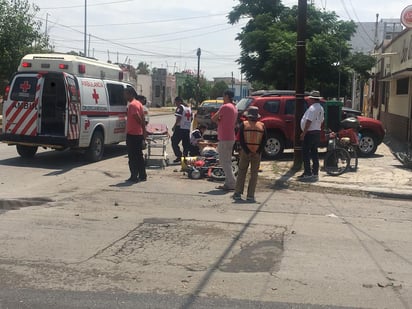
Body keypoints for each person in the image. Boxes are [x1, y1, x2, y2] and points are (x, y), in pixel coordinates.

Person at [232, 106, 266, 202]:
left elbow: (241, 140)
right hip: (257, 153)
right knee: (254, 174)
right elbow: (264, 140)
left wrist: (247, 151)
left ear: (248, 116)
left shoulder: (244, 124)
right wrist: (257, 151)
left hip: (245, 152)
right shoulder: (262, 126)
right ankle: (250, 195)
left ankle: (238, 193)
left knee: (242, 171)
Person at [211, 89, 238, 191]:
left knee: (223, 161)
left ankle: (232, 182)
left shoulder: (225, 107)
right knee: (227, 161)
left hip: (224, 137)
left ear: (226, 96)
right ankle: (228, 183)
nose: (223, 98)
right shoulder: (234, 108)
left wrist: (219, 121)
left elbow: (214, 118)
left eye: (223, 96)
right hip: (231, 136)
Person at [299, 90, 325, 181]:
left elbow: (309, 121)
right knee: (314, 153)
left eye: (310, 99)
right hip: (316, 132)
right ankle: (315, 172)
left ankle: (307, 172)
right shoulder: (321, 108)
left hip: (310, 133)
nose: (309, 100)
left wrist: (304, 133)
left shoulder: (312, 108)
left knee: (305, 153)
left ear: (313, 99)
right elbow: (321, 121)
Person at [124, 88, 147, 183]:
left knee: (132, 157)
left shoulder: (132, 105)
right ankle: (142, 175)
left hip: (132, 134)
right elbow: (143, 118)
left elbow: (138, 118)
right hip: (138, 134)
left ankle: (134, 176)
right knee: (139, 156)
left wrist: (142, 127)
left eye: (125, 94)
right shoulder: (138, 103)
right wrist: (144, 131)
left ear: (130, 94)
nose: (124, 96)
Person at [171, 96, 192, 163]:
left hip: (180, 128)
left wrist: (174, 126)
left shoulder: (180, 107)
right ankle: (185, 158)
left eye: (176, 102)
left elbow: (179, 118)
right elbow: (191, 118)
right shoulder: (188, 108)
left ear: (179, 101)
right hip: (187, 128)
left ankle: (179, 156)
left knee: (174, 141)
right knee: (185, 144)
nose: (175, 103)